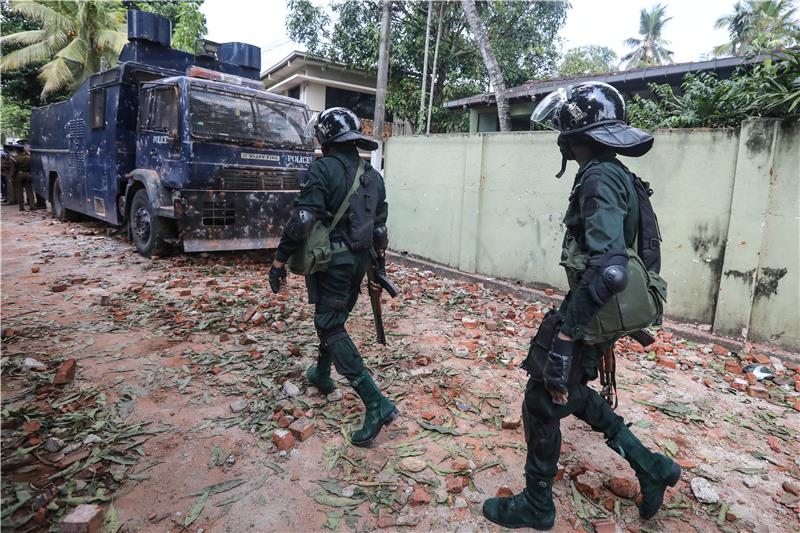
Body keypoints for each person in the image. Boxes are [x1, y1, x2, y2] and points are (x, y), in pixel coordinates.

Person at [482, 82, 680, 530]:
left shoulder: (598, 177)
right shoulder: (620, 175)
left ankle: (536, 505)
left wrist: (569, 335)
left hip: (592, 309)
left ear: (575, 134)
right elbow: (641, 253)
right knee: (569, 391)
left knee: (541, 399)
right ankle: (651, 467)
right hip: (599, 307)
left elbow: (611, 268)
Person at [268, 107, 399, 447]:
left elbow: (302, 220)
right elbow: (380, 228)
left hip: (334, 262)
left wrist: (279, 261)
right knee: (333, 316)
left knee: (329, 324)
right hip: (360, 260)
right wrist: (377, 266)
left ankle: (375, 402)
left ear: (325, 138)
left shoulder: (322, 169)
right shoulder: (373, 175)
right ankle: (322, 374)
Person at [11, 143, 36, 211]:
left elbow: (13, 170)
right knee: (29, 191)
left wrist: (11, 178)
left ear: (16, 151)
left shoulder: (14, 158)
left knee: (19, 192)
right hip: (28, 175)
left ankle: (21, 207)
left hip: (19, 176)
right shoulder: (28, 158)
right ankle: (32, 206)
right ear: (23, 150)